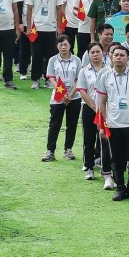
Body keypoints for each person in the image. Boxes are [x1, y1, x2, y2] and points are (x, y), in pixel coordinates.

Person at [97, 43, 129, 201]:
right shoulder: (105, 76)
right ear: (111, 57)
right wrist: (102, 125)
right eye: (116, 55)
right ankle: (120, 187)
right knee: (116, 158)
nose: (118, 57)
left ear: (127, 58)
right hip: (113, 125)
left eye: (122, 55)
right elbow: (102, 102)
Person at [75, 42, 111, 184]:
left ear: (103, 53)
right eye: (92, 52)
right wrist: (95, 107)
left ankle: (105, 168)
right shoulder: (84, 71)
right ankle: (89, 167)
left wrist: (102, 109)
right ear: (88, 55)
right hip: (89, 108)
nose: (95, 55)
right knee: (88, 138)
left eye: (98, 52)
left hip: (106, 109)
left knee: (104, 139)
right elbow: (82, 91)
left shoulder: (109, 70)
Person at [42, 34, 81, 163]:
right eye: (60, 44)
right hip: (58, 97)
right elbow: (51, 78)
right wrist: (63, 94)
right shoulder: (53, 60)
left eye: (65, 44)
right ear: (57, 46)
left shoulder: (76, 60)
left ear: (70, 45)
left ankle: (68, 149)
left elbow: (79, 79)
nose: (63, 47)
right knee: (54, 125)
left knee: (71, 125)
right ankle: (50, 151)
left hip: (74, 97)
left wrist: (71, 94)